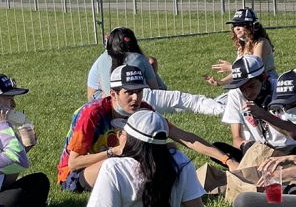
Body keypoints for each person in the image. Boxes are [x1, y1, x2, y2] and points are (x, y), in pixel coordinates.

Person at [87, 110, 222, 207]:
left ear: (132, 140)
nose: (120, 135)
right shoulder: (180, 161)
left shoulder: (113, 168)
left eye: (124, 132)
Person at [60, 64, 226, 192]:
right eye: (129, 92)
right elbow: (74, 163)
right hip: (77, 174)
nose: (135, 98)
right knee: (115, 165)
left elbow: (186, 138)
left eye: (139, 91)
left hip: (124, 165)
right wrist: (114, 152)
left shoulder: (144, 110)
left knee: (170, 151)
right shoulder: (92, 114)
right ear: (113, 94)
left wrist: (227, 160)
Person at [0, 73, 50, 207]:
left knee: (40, 180)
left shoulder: (5, 131)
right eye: (9, 99)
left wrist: (24, 149)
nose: (14, 105)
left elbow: (5, 182)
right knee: (16, 196)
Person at [219, 54, 296, 161]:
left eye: (251, 86)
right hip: (257, 150)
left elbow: (294, 133)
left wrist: (264, 115)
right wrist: (244, 145)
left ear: (264, 78)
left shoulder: (282, 90)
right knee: (219, 149)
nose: (247, 92)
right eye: (242, 88)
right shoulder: (235, 94)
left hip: (287, 148)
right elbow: (236, 139)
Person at [206, 7, 277, 90]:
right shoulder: (242, 45)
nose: (237, 28)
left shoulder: (261, 43)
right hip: (249, 86)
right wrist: (221, 82)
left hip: (266, 86)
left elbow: (255, 70)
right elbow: (239, 73)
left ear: (252, 26)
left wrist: (231, 68)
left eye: (241, 24)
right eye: (235, 25)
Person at [94, 27, 160, 97]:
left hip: (110, 102)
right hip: (136, 102)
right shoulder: (140, 59)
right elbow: (155, 90)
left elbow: (103, 88)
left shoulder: (101, 59)